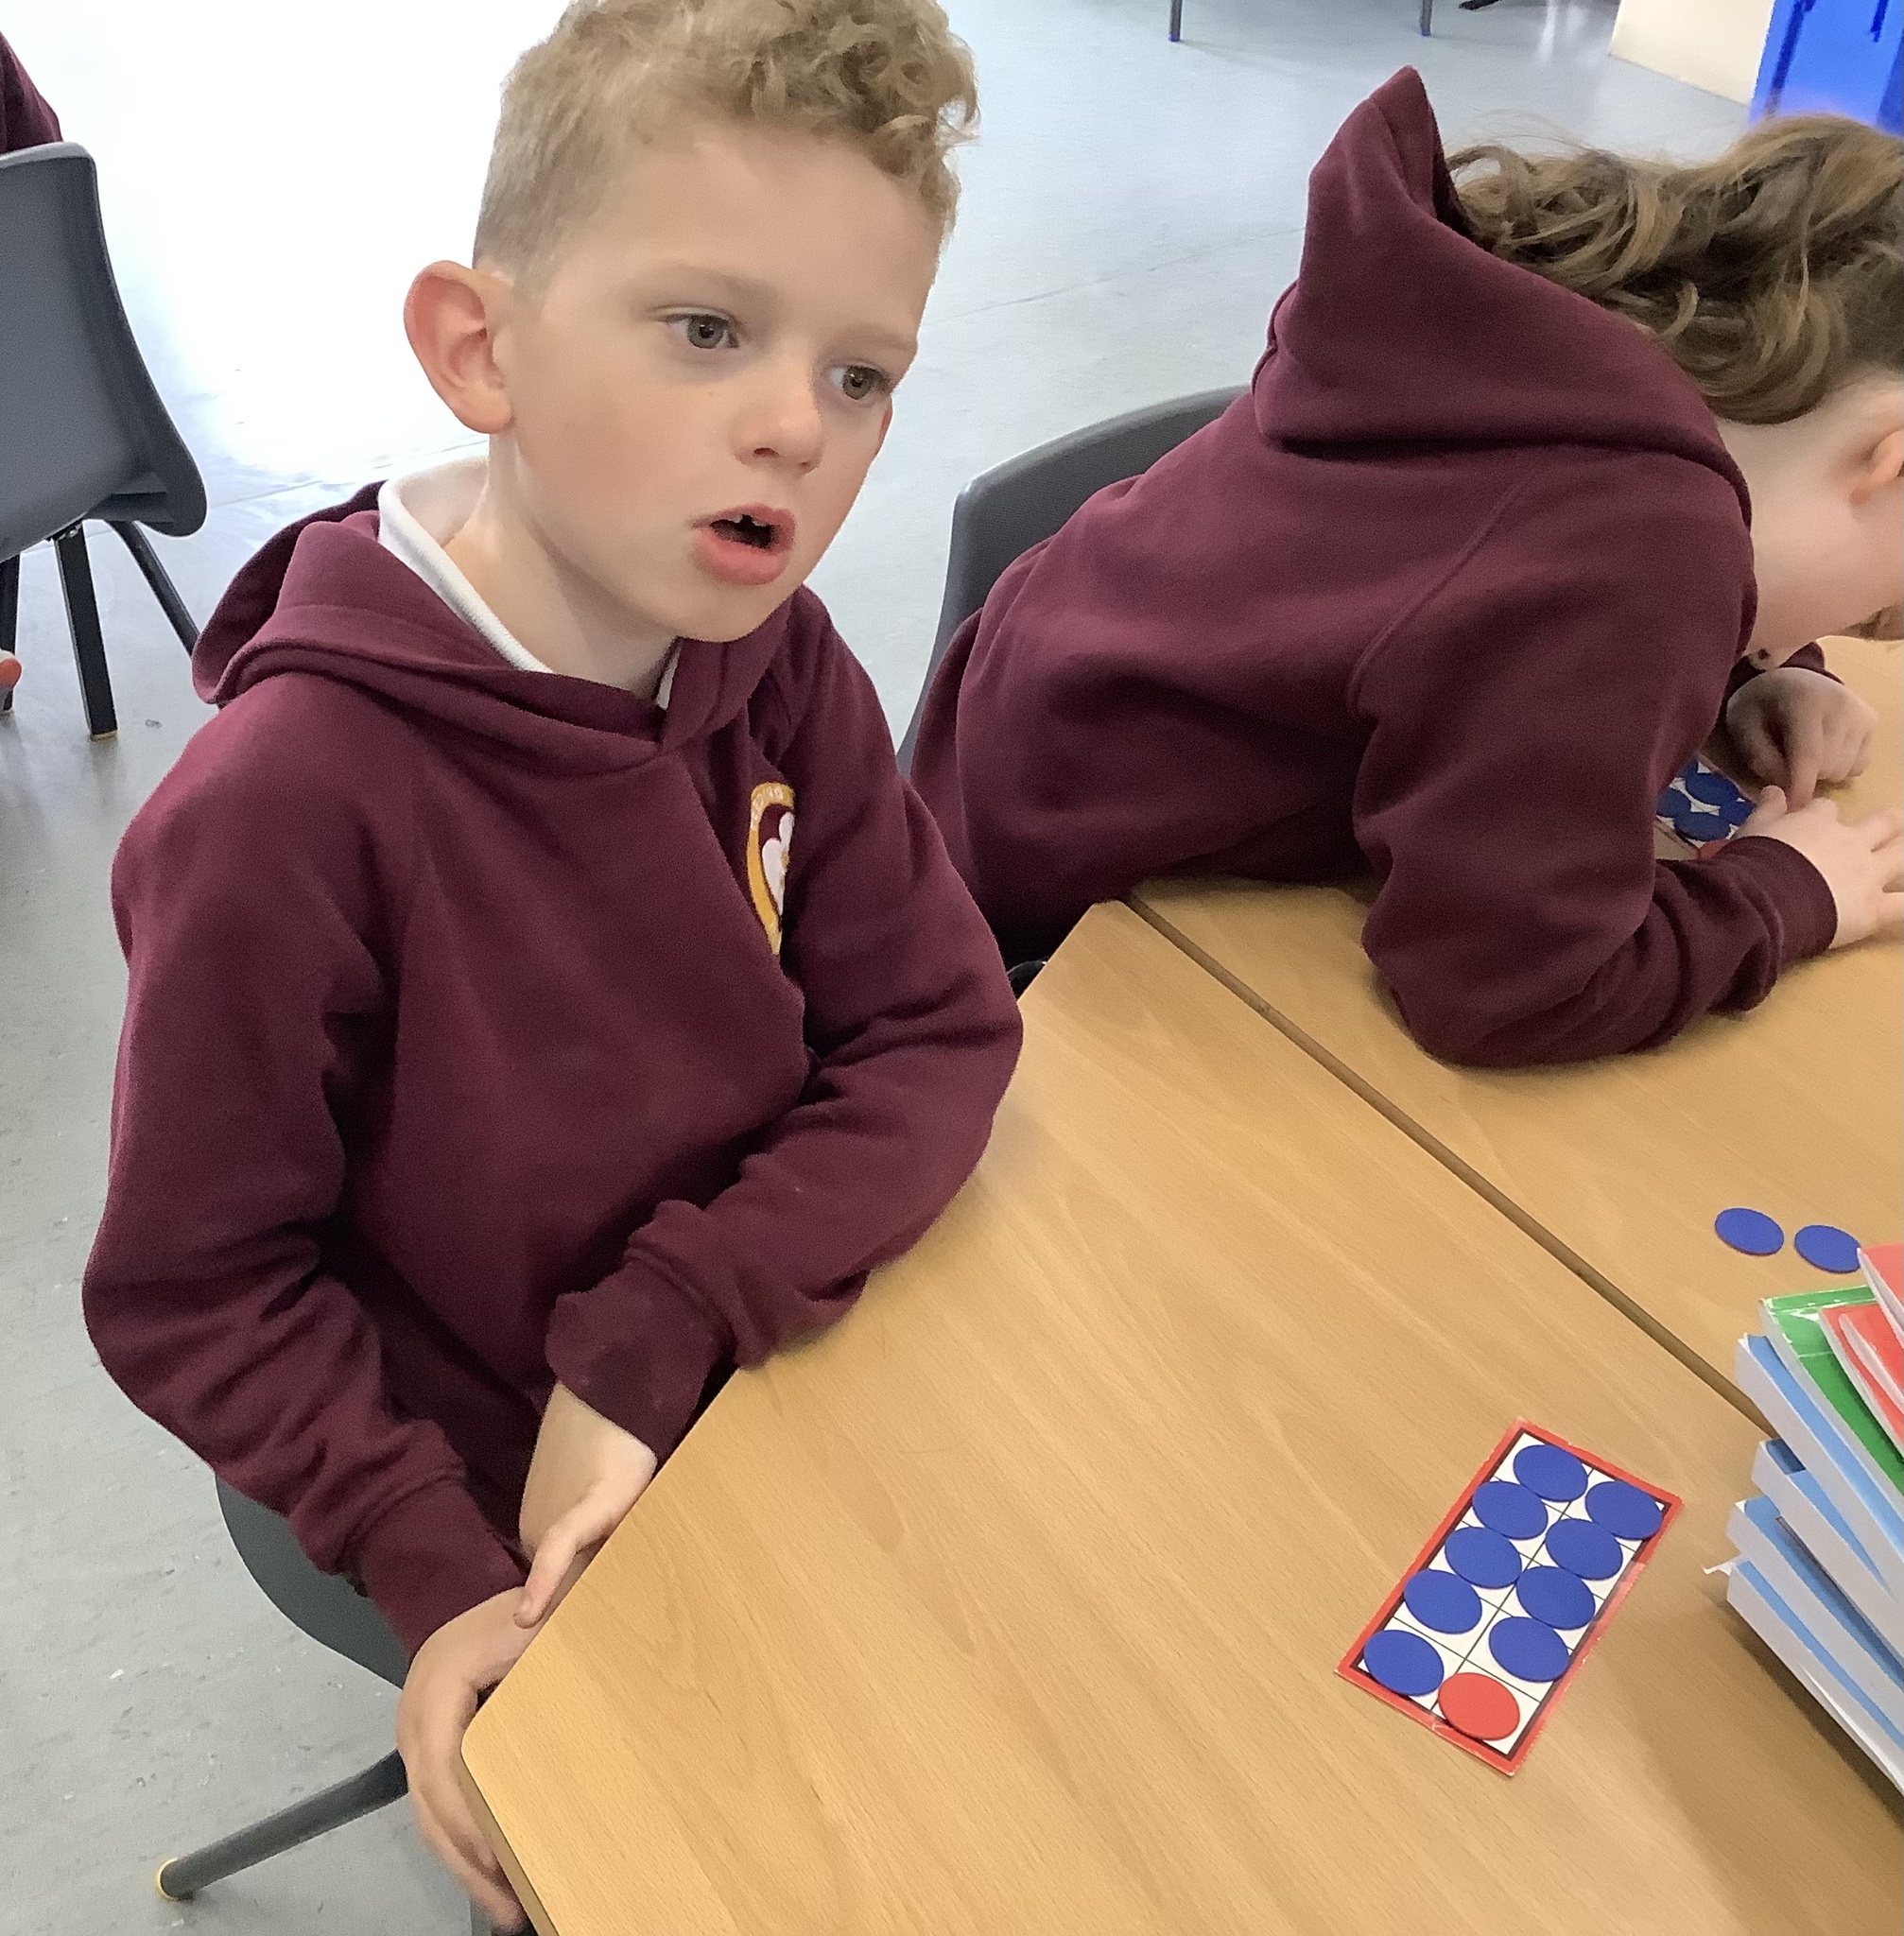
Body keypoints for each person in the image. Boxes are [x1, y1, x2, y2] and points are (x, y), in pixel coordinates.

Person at [81, 4, 1016, 1923]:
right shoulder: (283, 807)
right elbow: (198, 1286)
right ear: (478, 348)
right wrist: (438, 1570)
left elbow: (935, 1021)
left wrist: (661, 1326)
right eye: (707, 330)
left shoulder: (769, 655)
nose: (796, 425)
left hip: (748, 1347)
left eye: (858, 373)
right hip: (489, 1481)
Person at [910, 69, 1903, 1067]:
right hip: (1043, 930)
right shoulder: (1644, 548)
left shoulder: (1566, 334)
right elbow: (1513, 986)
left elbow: (1492, 579)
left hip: (1004, 736)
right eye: (1880, 610)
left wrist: (1758, 666)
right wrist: (1787, 892)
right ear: (1889, 458)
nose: (1861, 625)